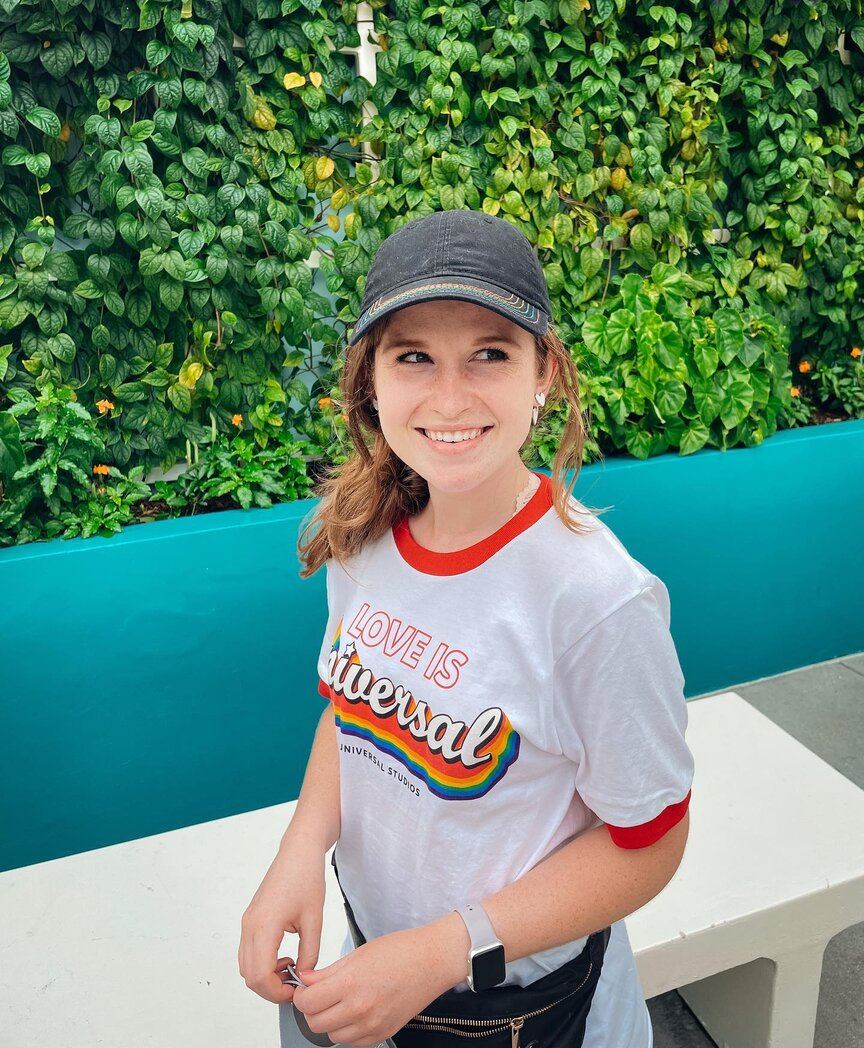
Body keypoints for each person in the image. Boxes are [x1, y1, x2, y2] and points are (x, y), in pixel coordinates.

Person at [238, 209, 694, 1048]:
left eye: (490, 353)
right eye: (414, 356)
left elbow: (652, 842)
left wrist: (442, 951)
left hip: (524, 1008)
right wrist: (300, 848)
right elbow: (353, 714)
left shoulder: (597, 601)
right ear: (370, 382)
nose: (450, 398)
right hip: (373, 968)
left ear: (543, 371)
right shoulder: (363, 536)